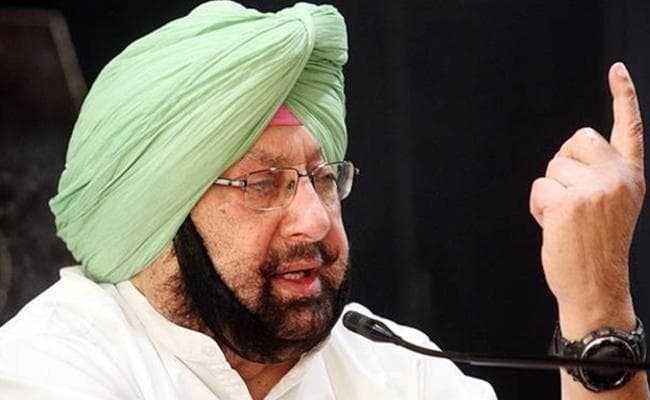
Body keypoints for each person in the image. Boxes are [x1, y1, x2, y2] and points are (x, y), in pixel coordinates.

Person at [0, 2, 646, 399]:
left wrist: (596, 310)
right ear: (154, 214)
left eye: (324, 177)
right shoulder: (51, 366)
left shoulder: (392, 368)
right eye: (261, 184)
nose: (314, 220)